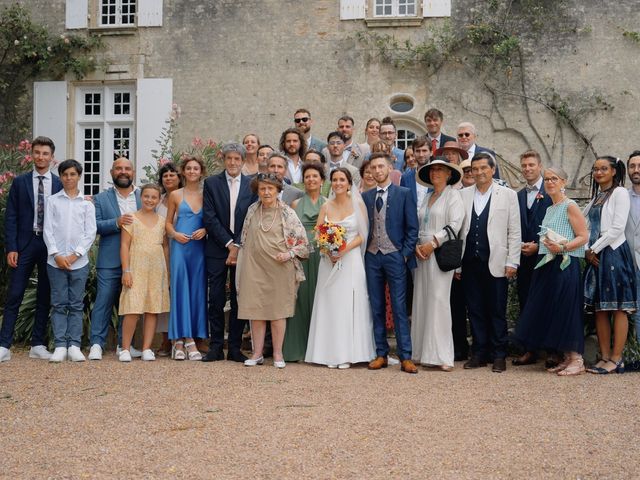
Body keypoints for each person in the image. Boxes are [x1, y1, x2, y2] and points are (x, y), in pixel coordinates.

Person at [513, 167, 589, 375]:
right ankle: (565, 356)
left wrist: (563, 247)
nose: (550, 182)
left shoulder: (570, 205)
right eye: (547, 179)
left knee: (567, 309)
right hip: (547, 263)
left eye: (554, 178)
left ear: (563, 181)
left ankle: (577, 359)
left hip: (565, 263)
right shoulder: (550, 208)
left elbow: (583, 236)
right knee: (554, 309)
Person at [237, 173, 309, 368]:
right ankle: (257, 353)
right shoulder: (252, 209)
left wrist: (289, 254)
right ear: (257, 191)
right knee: (256, 311)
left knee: (278, 312)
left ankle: (277, 354)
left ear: (278, 190)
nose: (266, 192)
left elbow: (303, 243)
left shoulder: (287, 212)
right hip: (254, 268)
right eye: (262, 188)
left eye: (270, 188)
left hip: (280, 268)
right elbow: (244, 239)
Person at [305, 168, 376, 368]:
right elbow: (318, 234)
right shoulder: (326, 206)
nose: (338, 183)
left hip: (351, 259)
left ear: (348, 183)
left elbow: (363, 235)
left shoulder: (358, 204)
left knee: (348, 304)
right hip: (329, 262)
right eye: (334, 180)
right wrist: (329, 251)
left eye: (341, 180)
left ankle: (350, 353)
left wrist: (343, 249)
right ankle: (328, 353)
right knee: (331, 304)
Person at [0, 136, 62, 363]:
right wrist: (12, 247)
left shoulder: (58, 183)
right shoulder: (20, 182)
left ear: (51, 157)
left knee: (45, 294)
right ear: (32, 155)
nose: (40, 157)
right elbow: (11, 217)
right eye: (37, 152)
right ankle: (4, 345)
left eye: (45, 153)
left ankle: (38, 344)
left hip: (49, 245)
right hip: (25, 244)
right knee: (14, 294)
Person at [459, 152, 520, 373]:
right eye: (475, 169)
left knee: (496, 310)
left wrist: (513, 261)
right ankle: (479, 353)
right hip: (469, 262)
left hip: (497, 261)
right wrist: (457, 265)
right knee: (474, 309)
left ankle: (499, 355)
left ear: (492, 170)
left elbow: (514, 231)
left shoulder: (507, 195)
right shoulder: (463, 194)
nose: (479, 172)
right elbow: (459, 231)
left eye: (483, 168)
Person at [363, 153, 419, 374]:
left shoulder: (404, 194)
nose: (377, 170)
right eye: (373, 167)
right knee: (376, 306)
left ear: (389, 167)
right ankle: (381, 354)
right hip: (372, 255)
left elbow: (412, 228)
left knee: (398, 306)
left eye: (380, 166)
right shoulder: (366, 197)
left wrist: (404, 254)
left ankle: (406, 356)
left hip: (395, 254)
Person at [202, 143, 257, 363]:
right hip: (217, 248)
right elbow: (209, 216)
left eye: (237, 159)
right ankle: (215, 346)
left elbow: (251, 217)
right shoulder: (211, 183)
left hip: (243, 249)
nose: (233, 163)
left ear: (243, 161)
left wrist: (237, 245)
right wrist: (228, 243)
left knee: (238, 298)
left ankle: (234, 347)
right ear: (223, 160)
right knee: (215, 298)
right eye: (229, 159)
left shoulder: (252, 184)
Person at [584, 156, 637, 374]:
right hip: (595, 254)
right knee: (600, 308)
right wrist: (588, 248)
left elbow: (616, 228)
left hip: (613, 252)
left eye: (604, 168)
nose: (599, 173)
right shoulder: (597, 197)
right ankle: (604, 356)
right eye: (595, 169)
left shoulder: (620, 193)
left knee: (618, 308)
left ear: (614, 171)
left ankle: (616, 359)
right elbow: (587, 226)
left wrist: (593, 249)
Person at [411, 160, 464, 371]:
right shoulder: (426, 197)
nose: (435, 173)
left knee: (438, 301)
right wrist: (417, 245)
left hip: (439, 252)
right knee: (421, 300)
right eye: (432, 169)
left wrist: (433, 243)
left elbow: (455, 224)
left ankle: (442, 356)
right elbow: (418, 223)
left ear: (449, 174)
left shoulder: (453, 196)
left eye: (440, 170)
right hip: (421, 254)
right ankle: (421, 352)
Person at [43, 159, 96, 363]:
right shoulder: (53, 201)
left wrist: (76, 255)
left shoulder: (86, 203)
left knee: (75, 304)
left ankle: (74, 344)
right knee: (58, 303)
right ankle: (59, 345)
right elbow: (48, 229)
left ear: (79, 176)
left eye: (73, 174)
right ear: (61, 177)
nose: (68, 178)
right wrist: (56, 254)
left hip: (79, 263)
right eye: (65, 174)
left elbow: (90, 232)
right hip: (55, 261)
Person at [88, 157, 142, 361]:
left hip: (136, 260)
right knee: (104, 301)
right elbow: (95, 226)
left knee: (129, 303)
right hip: (109, 259)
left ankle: (124, 345)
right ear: (112, 172)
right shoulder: (101, 199)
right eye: (118, 168)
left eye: (127, 168)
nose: (123, 171)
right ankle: (96, 344)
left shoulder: (142, 196)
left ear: (133, 172)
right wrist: (117, 222)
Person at [118, 184, 170, 362]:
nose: (150, 200)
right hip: (136, 266)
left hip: (156, 268)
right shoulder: (131, 218)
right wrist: (126, 270)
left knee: (152, 308)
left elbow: (165, 246)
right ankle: (125, 348)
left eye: (154, 197)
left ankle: (147, 348)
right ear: (141, 197)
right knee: (133, 308)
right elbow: (124, 245)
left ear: (159, 200)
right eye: (146, 196)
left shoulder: (162, 221)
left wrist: (167, 272)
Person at [512, 150, 553, 367]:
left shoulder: (551, 192)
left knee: (547, 302)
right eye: (524, 165)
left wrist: (539, 246)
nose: (527, 169)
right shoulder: (517, 196)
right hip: (524, 259)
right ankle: (530, 349)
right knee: (526, 302)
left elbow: (558, 225)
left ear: (539, 166)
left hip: (546, 257)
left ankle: (552, 351)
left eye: (531, 165)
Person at [165, 156, 208, 361]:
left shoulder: (207, 194)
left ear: (201, 172)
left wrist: (205, 229)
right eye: (188, 168)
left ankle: (189, 339)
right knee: (180, 291)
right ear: (183, 171)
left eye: (195, 168)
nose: (192, 171)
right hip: (180, 247)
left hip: (198, 248)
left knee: (196, 292)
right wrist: (175, 235)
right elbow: (167, 224)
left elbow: (213, 219)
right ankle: (181, 340)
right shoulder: (175, 195)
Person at [283, 163, 327, 362]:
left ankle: (319, 349)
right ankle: (296, 349)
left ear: (322, 180)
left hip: (321, 253)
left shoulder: (328, 202)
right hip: (301, 254)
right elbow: (289, 230)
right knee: (299, 298)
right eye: (307, 176)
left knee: (320, 297)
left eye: (315, 176)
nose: (311, 180)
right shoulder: (295, 204)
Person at [155, 162, 182, 356]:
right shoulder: (158, 200)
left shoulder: (185, 197)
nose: (169, 178)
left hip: (183, 246)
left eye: (173, 174)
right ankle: (166, 339)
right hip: (160, 249)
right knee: (164, 293)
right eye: (165, 175)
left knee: (182, 293)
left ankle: (188, 337)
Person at [625, 151, 640, 342]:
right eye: (632, 166)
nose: (636, 170)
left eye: (639, 166)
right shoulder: (621, 197)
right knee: (634, 309)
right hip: (628, 262)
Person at [400, 137, 432, 212]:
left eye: (424, 151)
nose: (421, 154)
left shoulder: (439, 175)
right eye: (418, 151)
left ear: (431, 152)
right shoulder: (405, 177)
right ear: (414, 153)